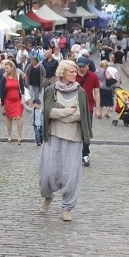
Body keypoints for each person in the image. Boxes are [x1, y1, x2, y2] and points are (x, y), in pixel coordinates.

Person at [39, 60, 91, 222]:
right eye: (71, 72)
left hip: (73, 138)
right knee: (48, 172)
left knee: (70, 174)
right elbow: (48, 112)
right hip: (53, 135)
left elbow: (81, 115)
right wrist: (68, 111)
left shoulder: (80, 92)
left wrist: (61, 114)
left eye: (76, 72)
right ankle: (48, 196)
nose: (75, 75)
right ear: (62, 73)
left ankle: (67, 207)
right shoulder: (50, 91)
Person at [75, 56, 100, 167]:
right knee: (75, 131)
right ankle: (75, 154)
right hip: (74, 107)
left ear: (87, 66)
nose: (81, 68)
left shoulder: (93, 76)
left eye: (83, 66)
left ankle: (85, 154)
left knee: (86, 132)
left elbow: (97, 93)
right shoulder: (73, 75)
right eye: (79, 66)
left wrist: (98, 108)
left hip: (88, 108)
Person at [0, 59, 26, 143]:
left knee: (18, 117)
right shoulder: (4, 78)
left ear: (12, 68)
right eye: (5, 68)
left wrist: (23, 98)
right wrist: (0, 100)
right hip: (8, 100)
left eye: (7, 68)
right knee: (9, 118)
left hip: (18, 100)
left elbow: (22, 87)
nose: (6, 70)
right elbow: (2, 90)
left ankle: (19, 136)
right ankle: (9, 135)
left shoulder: (18, 76)